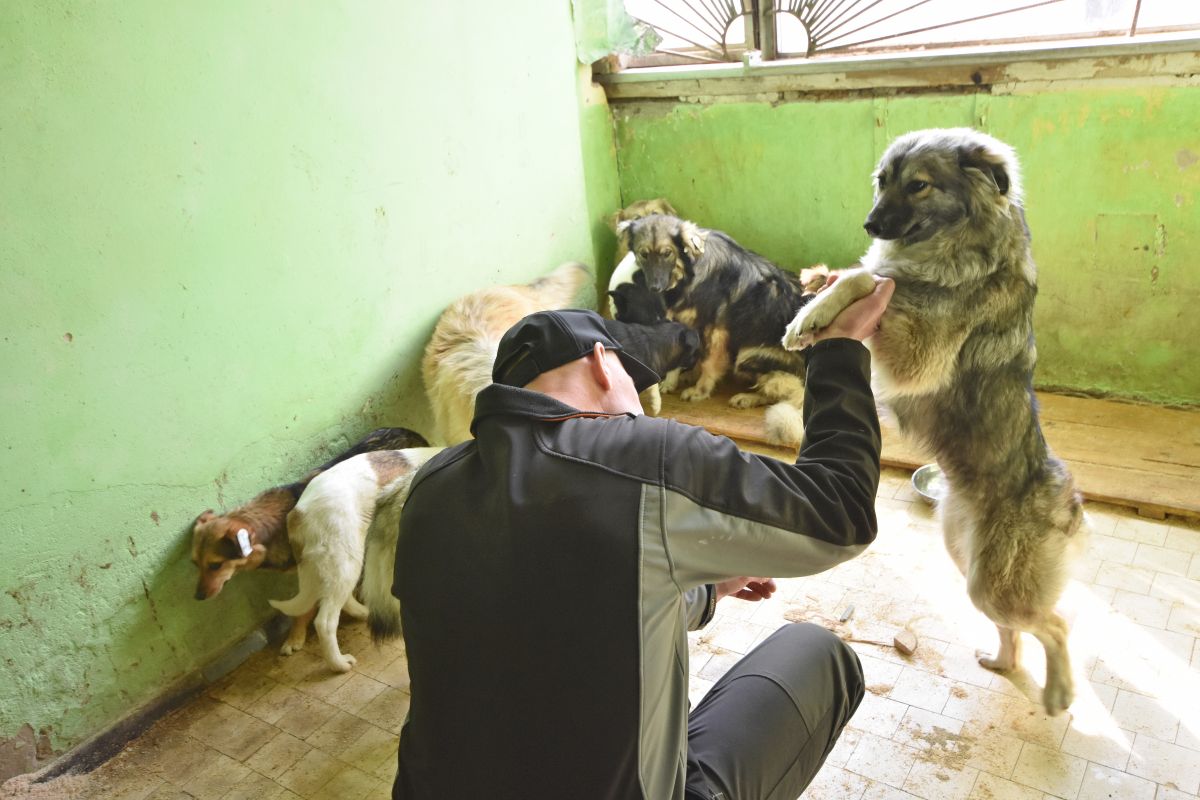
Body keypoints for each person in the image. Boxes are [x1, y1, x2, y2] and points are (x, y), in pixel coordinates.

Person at [391, 277, 896, 800]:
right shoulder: (641, 456)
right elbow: (842, 511)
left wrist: (709, 590)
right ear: (604, 365)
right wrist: (839, 349)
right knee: (818, 653)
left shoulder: (429, 486)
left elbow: (551, 607)